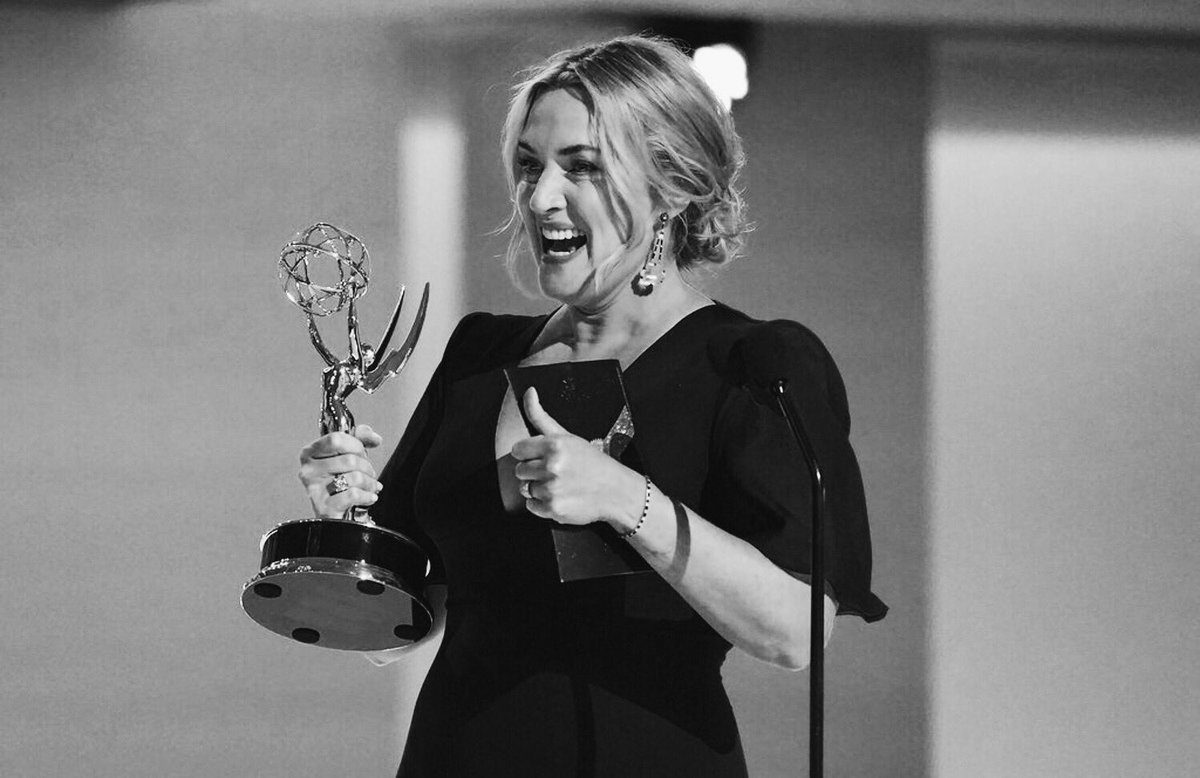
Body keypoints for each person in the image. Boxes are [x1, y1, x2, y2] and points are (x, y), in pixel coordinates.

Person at [297, 34, 886, 778]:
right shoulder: (479, 356)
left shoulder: (748, 366)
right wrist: (342, 530)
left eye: (580, 167)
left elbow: (796, 637)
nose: (541, 197)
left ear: (671, 185)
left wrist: (624, 496)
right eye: (528, 166)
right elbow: (398, 631)